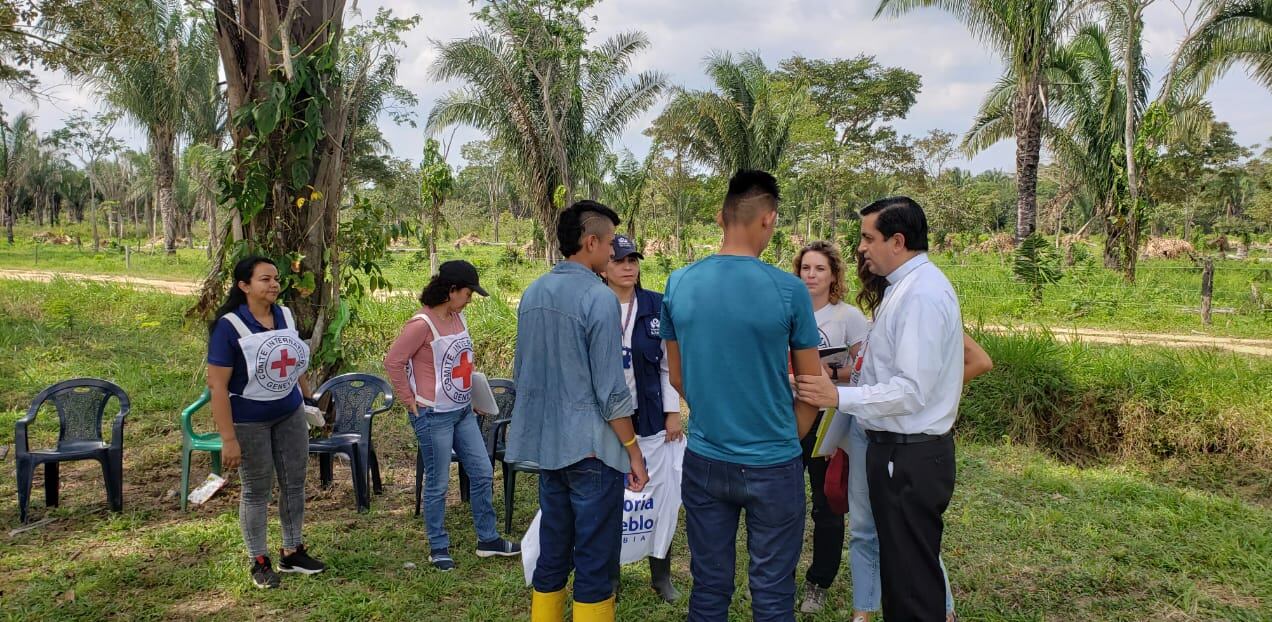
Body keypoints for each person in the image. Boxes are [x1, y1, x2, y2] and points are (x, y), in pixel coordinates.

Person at [661, 170, 824, 621]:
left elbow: (678, 377)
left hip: (706, 458)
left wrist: (716, 407)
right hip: (773, 463)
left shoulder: (678, 283)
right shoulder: (789, 290)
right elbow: (812, 387)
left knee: (709, 588)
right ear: (768, 220)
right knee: (772, 593)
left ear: (721, 217)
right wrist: (788, 437)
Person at [797, 197, 967, 622]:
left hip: (908, 453)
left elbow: (911, 390)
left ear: (897, 240)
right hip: (893, 449)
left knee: (911, 584)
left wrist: (839, 397)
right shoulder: (903, 290)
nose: (861, 248)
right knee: (900, 573)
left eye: (868, 238)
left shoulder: (922, 296)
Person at [508, 200, 649, 622]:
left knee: (554, 549)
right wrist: (633, 450)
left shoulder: (533, 292)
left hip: (550, 448)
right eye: (609, 245)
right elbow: (610, 391)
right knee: (595, 557)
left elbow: (523, 372)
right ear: (590, 242)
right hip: (593, 451)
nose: (613, 255)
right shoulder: (598, 297)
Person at [839, 251, 993, 622]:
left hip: (907, 442)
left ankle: (943, 609)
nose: (865, 262)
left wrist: (933, 396)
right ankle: (866, 610)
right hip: (872, 433)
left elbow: (975, 361)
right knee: (874, 532)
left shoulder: (921, 301)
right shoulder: (886, 312)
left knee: (911, 544)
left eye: (869, 250)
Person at [383, 260, 520, 572]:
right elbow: (394, 361)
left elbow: (462, 363)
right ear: (451, 290)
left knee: (483, 472)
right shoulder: (421, 324)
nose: (470, 298)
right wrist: (409, 400)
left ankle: (488, 539)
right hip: (433, 415)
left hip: (462, 412)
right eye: (468, 292)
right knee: (438, 483)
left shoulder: (458, 318)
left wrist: (469, 395)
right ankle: (438, 547)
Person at [206, 255, 326, 589]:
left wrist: (307, 396)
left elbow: (294, 362)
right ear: (244, 286)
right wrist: (228, 439)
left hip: (288, 413)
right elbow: (217, 386)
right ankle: (259, 560)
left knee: (294, 483)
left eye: (275, 278)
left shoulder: (285, 315)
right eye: (264, 279)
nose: (274, 284)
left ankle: (293, 550)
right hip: (249, 421)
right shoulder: (228, 326)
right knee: (257, 490)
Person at [601, 233, 684, 604]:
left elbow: (669, 366)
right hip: (607, 425)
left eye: (633, 260)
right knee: (610, 500)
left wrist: (672, 413)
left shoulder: (655, 306)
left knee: (661, 496)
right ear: (604, 265)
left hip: (650, 418)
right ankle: (611, 575)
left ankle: (661, 573)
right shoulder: (595, 304)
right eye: (619, 260)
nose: (628, 267)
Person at [790, 241, 869, 614]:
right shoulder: (788, 310)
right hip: (790, 417)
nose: (811, 275)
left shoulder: (848, 317)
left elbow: (864, 370)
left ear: (833, 275)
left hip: (831, 421)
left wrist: (830, 372)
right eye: (806, 268)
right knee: (785, 503)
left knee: (827, 505)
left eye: (819, 269)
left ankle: (818, 582)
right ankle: (779, 575)